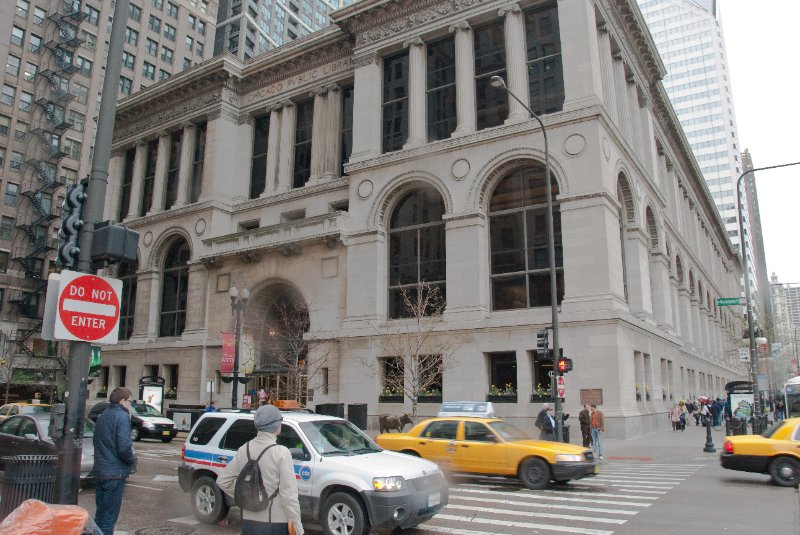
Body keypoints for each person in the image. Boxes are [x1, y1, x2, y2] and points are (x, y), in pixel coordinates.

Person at [217, 405, 304, 535]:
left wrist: (249, 494)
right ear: (276, 426)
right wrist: (298, 527)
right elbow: (288, 495)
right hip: (275, 523)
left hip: (249, 522)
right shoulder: (281, 452)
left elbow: (223, 480)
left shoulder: (244, 449)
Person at [93, 387, 137, 535]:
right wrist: (132, 460)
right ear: (122, 400)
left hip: (100, 471)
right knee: (109, 517)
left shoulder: (103, 415)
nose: (130, 404)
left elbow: (97, 441)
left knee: (101, 513)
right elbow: (124, 447)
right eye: (129, 401)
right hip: (115, 473)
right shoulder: (122, 416)